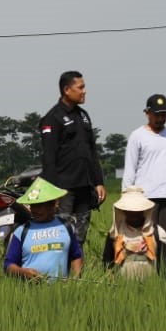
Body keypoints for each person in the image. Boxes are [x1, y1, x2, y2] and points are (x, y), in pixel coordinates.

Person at [121, 93, 166, 273]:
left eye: (164, 114)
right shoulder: (137, 136)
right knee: (146, 239)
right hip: (145, 198)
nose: (161, 118)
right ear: (147, 113)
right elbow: (130, 169)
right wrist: (126, 197)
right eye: (157, 114)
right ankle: (144, 274)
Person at [38, 71, 105, 246]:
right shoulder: (52, 118)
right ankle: (60, 271)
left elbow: (92, 152)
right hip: (64, 188)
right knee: (61, 234)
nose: (84, 91)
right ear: (67, 89)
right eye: (80, 87)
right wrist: (52, 192)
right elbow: (49, 158)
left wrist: (98, 182)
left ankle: (77, 272)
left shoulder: (83, 116)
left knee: (80, 235)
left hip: (85, 186)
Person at [4, 178, 83, 281]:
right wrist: (23, 272)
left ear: (53, 205)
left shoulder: (66, 227)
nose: (35, 210)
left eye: (40, 205)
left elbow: (76, 256)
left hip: (61, 292)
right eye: (33, 205)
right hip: (30, 292)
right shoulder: (21, 231)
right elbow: (8, 265)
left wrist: (76, 280)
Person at [103, 187, 159, 280]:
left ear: (144, 211)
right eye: (131, 212)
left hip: (150, 281)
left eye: (137, 211)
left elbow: (165, 263)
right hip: (123, 280)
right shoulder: (115, 234)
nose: (134, 215)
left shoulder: (155, 232)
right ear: (124, 212)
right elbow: (107, 261)